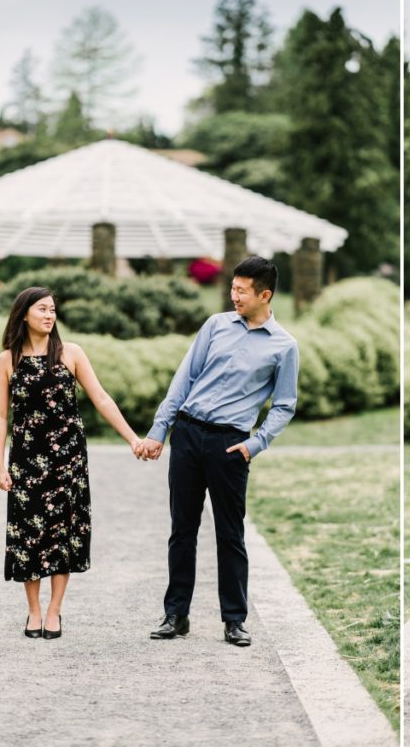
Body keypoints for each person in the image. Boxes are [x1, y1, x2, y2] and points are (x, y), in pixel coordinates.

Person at [138, 256, 299, 646]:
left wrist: (255, 444)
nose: (234, 296)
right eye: (233, 288)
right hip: (189, 435)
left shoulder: (284, 346)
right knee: (182, 530)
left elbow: (284, 404)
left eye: (242, 291)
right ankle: (176, 615)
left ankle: (234, 620)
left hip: (231, 445)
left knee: (230, 535)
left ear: (265, 294)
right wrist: (161, 429)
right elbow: (184, 378)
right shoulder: (215, 325)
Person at [0, 287, 143, 639]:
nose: (49, 315)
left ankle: (55, 611)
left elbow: (102, 399)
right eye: (42, 309)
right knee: (27, 534)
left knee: (63, 534)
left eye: (53, 310)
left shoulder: (70, 353)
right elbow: (1, 416)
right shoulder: (7, 360)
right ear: (24, 314)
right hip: (26, 460)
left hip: (67, 460)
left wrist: (133, 438)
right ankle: (33, 611)